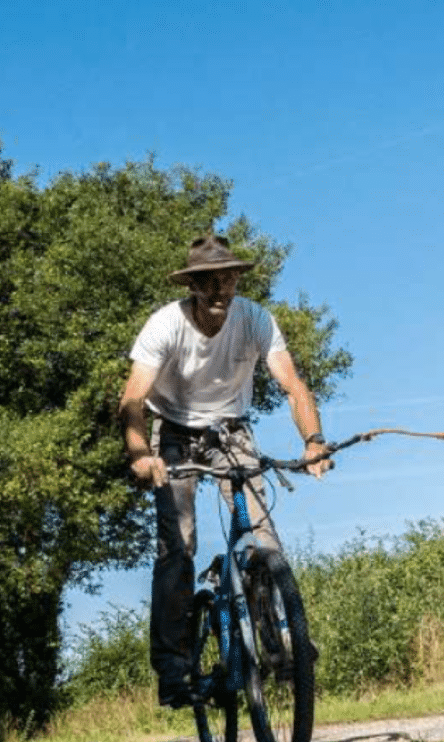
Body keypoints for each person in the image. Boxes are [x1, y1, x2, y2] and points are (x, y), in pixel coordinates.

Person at [119, 235, 332, 707]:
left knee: (262, 534)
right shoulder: (165, 326)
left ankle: (279, 647)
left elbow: (293, 384)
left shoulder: (255, 318)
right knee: (178, 546)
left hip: (232, 431)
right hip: (174, 433)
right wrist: (139, 454)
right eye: (209, 282)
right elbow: (132, 400)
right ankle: (175, 670)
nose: (220, 290)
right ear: (192, 285)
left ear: (237, 279)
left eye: (228, 279)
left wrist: (313, 440)